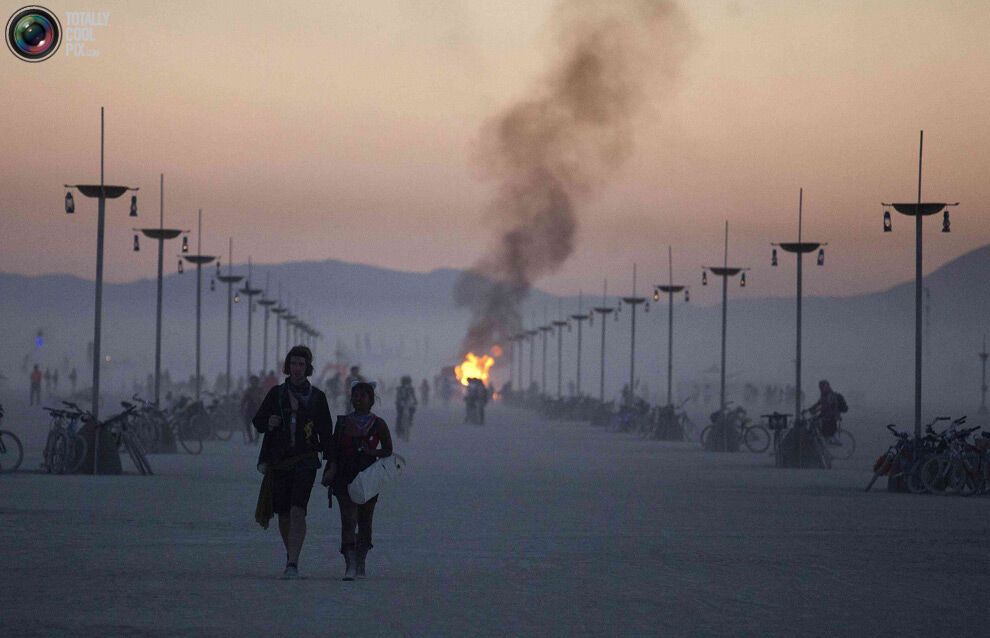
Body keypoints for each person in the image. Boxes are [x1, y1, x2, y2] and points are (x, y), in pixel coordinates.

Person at [253, 345, 333, 580]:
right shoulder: (276, 394)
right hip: (279, 461)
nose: (296, 368)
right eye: (293, 364)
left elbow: (326, 433)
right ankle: (291, 556)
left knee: (299, 510)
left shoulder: (317, 397)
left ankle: (292, 562)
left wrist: (331, 464)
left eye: (301, 364)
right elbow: (257, 422)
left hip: (306, 460)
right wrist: (270, 421)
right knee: (284, 514)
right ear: (287, 366)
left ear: (307, 368)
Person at [323, 382, 393, 581]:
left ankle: (361, 559)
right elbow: (334, 450)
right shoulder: (343, 423)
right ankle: (350, 563)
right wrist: (331, 470)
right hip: (344, 477)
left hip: (369, 478)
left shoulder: (378, 424)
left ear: (371, 399)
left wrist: (372, 452)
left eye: (363, 396)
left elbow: (388, 449)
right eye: (355, 395)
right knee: (348, 520)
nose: (358, 399)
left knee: (365, 522)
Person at [241, 375, 263, 444]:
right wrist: (241, 407)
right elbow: (244, 400)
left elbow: (263, 399)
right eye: (252, 381)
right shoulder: (249, 390)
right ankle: (251, 439)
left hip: (258, 409)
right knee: (247, 424)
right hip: (249, 409)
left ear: (257, 382)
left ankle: (256, 439)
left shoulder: (260, 390)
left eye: (254, 381)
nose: (253, 383)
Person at [395, 375, 418, 440]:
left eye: (408, 382)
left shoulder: (411, 388)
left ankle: (410, 419)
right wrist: (398, 402)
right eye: (405, 382)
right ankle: (398, 429)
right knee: (399, 416)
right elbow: (398, 397)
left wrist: (415, 401)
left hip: (408, 403)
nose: (407, 383)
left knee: (412, 409)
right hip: (400, 403)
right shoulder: (399, 388)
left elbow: (413, 396)